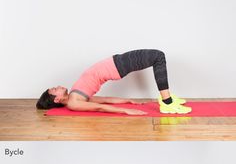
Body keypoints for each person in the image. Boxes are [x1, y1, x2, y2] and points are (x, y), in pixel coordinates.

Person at [36, 48, 192, 117]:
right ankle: (167, 101)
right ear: (56, 99)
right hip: (118, 66)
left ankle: (168, 99)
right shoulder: (74, 103)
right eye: (54, 89)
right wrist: (125, 111)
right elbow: (99, 107)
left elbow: (103, 100)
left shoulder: (74, 96)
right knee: (158, 56)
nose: (57, 86)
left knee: (157, 57)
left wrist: (127, 101)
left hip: (116, 62)